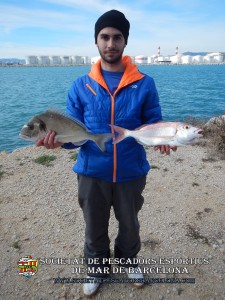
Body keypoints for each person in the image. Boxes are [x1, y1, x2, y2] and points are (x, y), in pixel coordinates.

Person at [37, 9, 176, 298]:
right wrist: (59, 142)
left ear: (125, 42)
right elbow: (73, 133)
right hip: (91, 171)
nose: (110, 43)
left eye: (116, 37)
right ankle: (97, 268)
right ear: (96, 41)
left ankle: (128, 260)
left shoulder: (144, 83)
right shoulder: (80, 85)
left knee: (130, 224)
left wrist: (162, 138)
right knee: (94, 225)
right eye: (104, 37)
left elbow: (153, 122)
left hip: (131, 170)